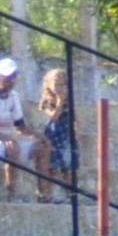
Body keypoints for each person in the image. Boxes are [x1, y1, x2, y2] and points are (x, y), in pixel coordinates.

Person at [0, 57, 51, 201]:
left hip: (8, 143)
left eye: (14, 76)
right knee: (12, 147)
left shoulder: (14, 96)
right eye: (8, 77)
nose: (12, 80)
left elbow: (20, 128)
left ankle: (43, 194)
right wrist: (3, 137)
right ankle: (12, 193)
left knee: (42, 147)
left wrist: (38, 136)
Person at [37, 67, 76, 205]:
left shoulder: (69, 101)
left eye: (62, 84)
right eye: (56, 84)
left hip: (66, 135)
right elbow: (54, 117)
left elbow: (73, 118)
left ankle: (70, 195)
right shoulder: (47, 101)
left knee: (68, 168)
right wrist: (59, 102)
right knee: (52, 167)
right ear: (48, 84)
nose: (59, 87)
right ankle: (49, 194)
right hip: (53, 135)